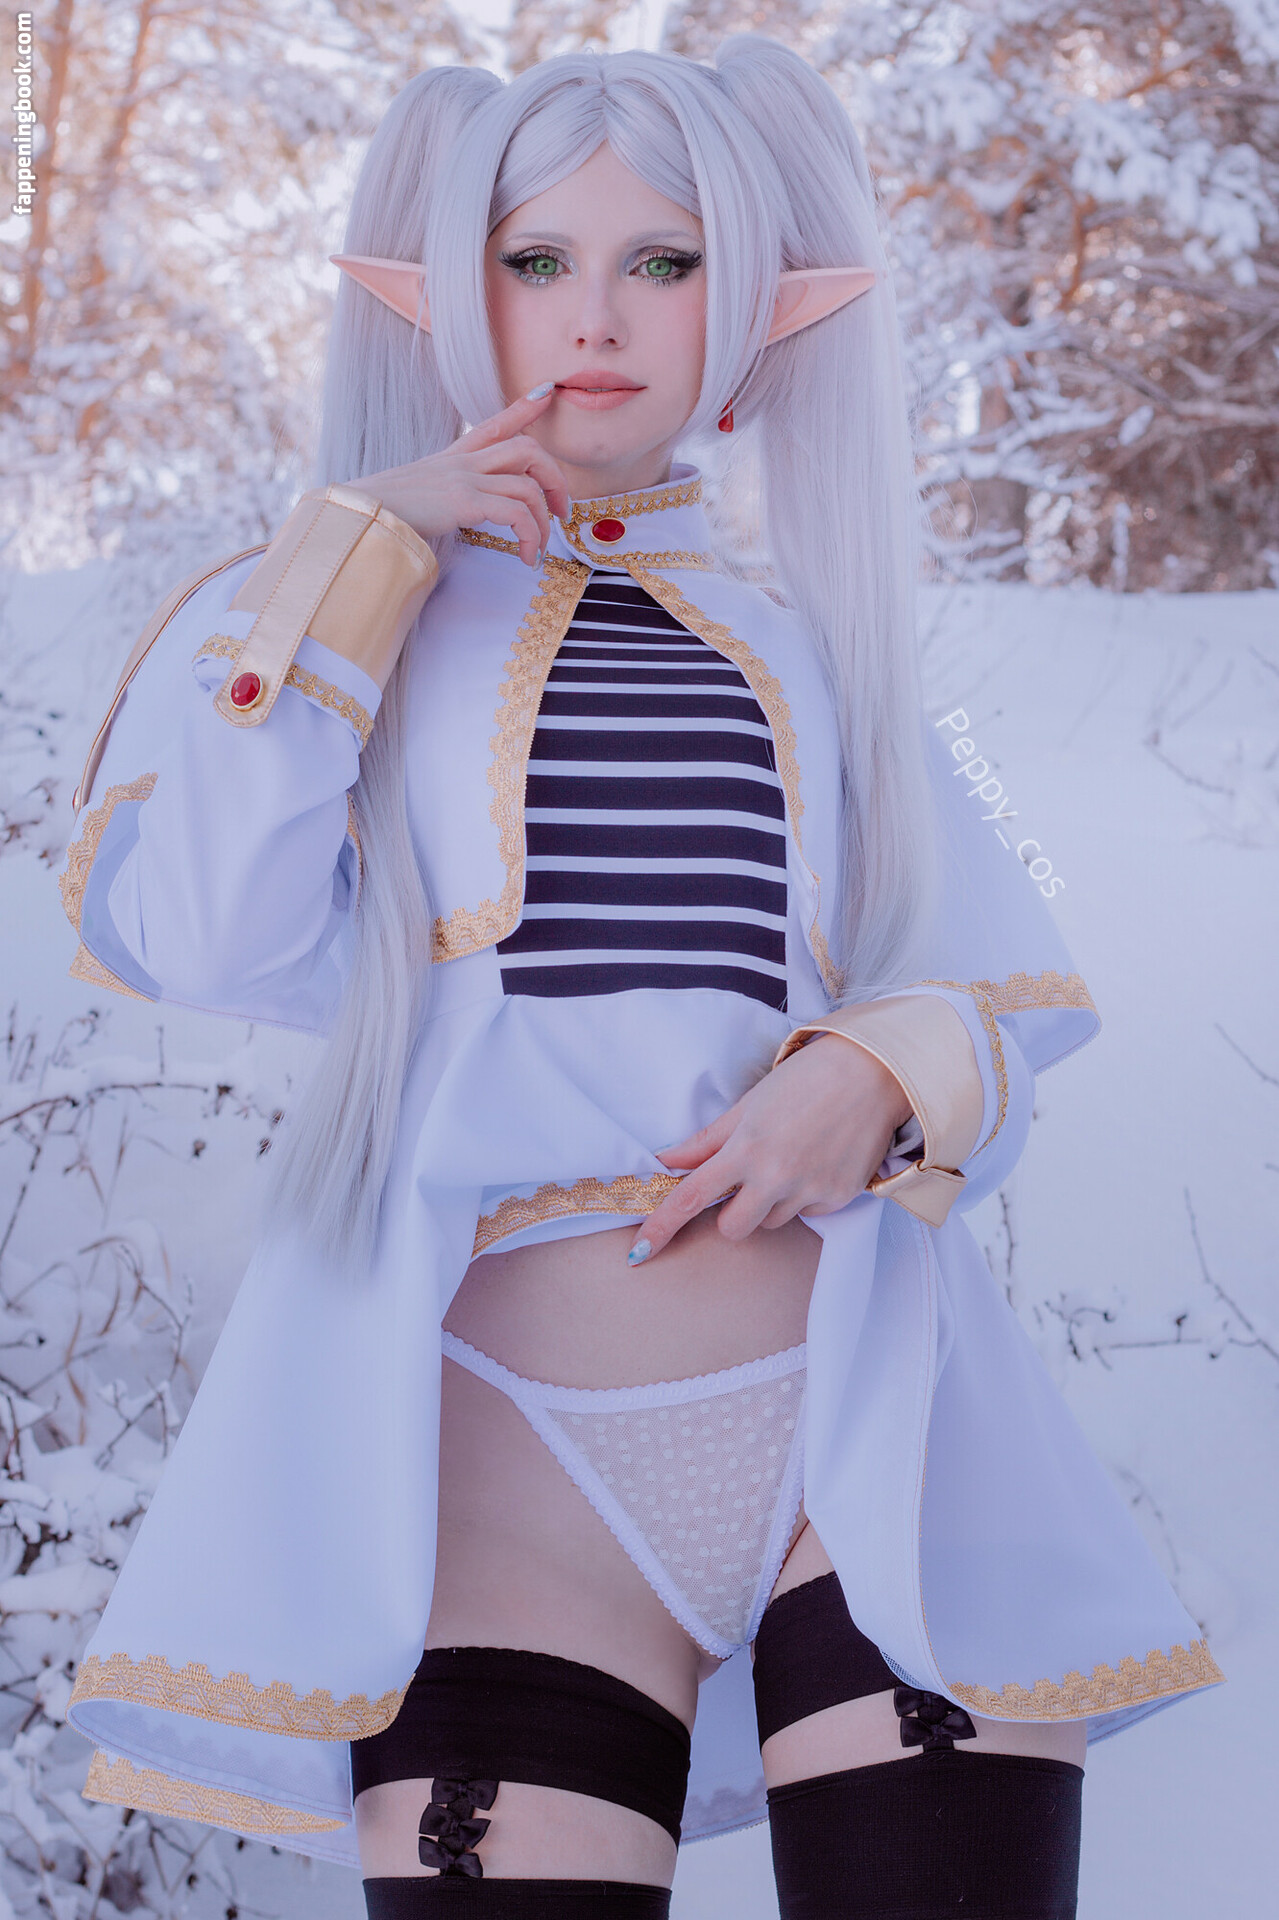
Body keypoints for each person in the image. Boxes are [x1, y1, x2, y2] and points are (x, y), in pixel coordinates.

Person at [58, 40, 1223, 1920]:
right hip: (506, 1485)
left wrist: (880, 1069)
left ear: (749, 304)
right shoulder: (311, 614)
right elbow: (198, 928)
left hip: (870, 1433)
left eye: (662, 263)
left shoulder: (826, 644)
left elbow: (1020, 980)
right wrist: (364, 547)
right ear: (450, 291)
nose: (595, 318)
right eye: (537, 261)